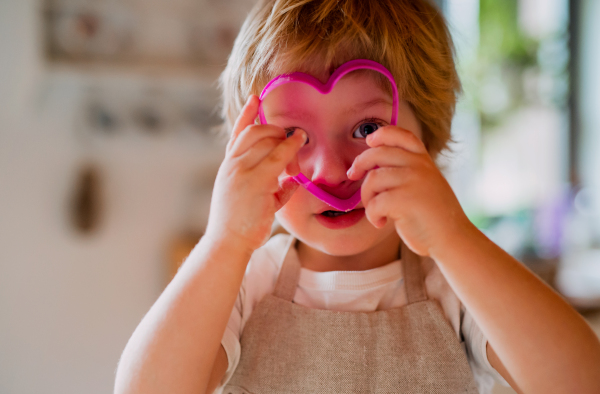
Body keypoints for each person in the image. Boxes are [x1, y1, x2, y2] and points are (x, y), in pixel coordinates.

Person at [114, 1, 600, 393]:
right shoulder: (244, 285)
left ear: (428, 137)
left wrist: (455, 237)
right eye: (294, 136)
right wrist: (223, 243)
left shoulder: (453, 285)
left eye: (366, 128)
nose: (332, 171)